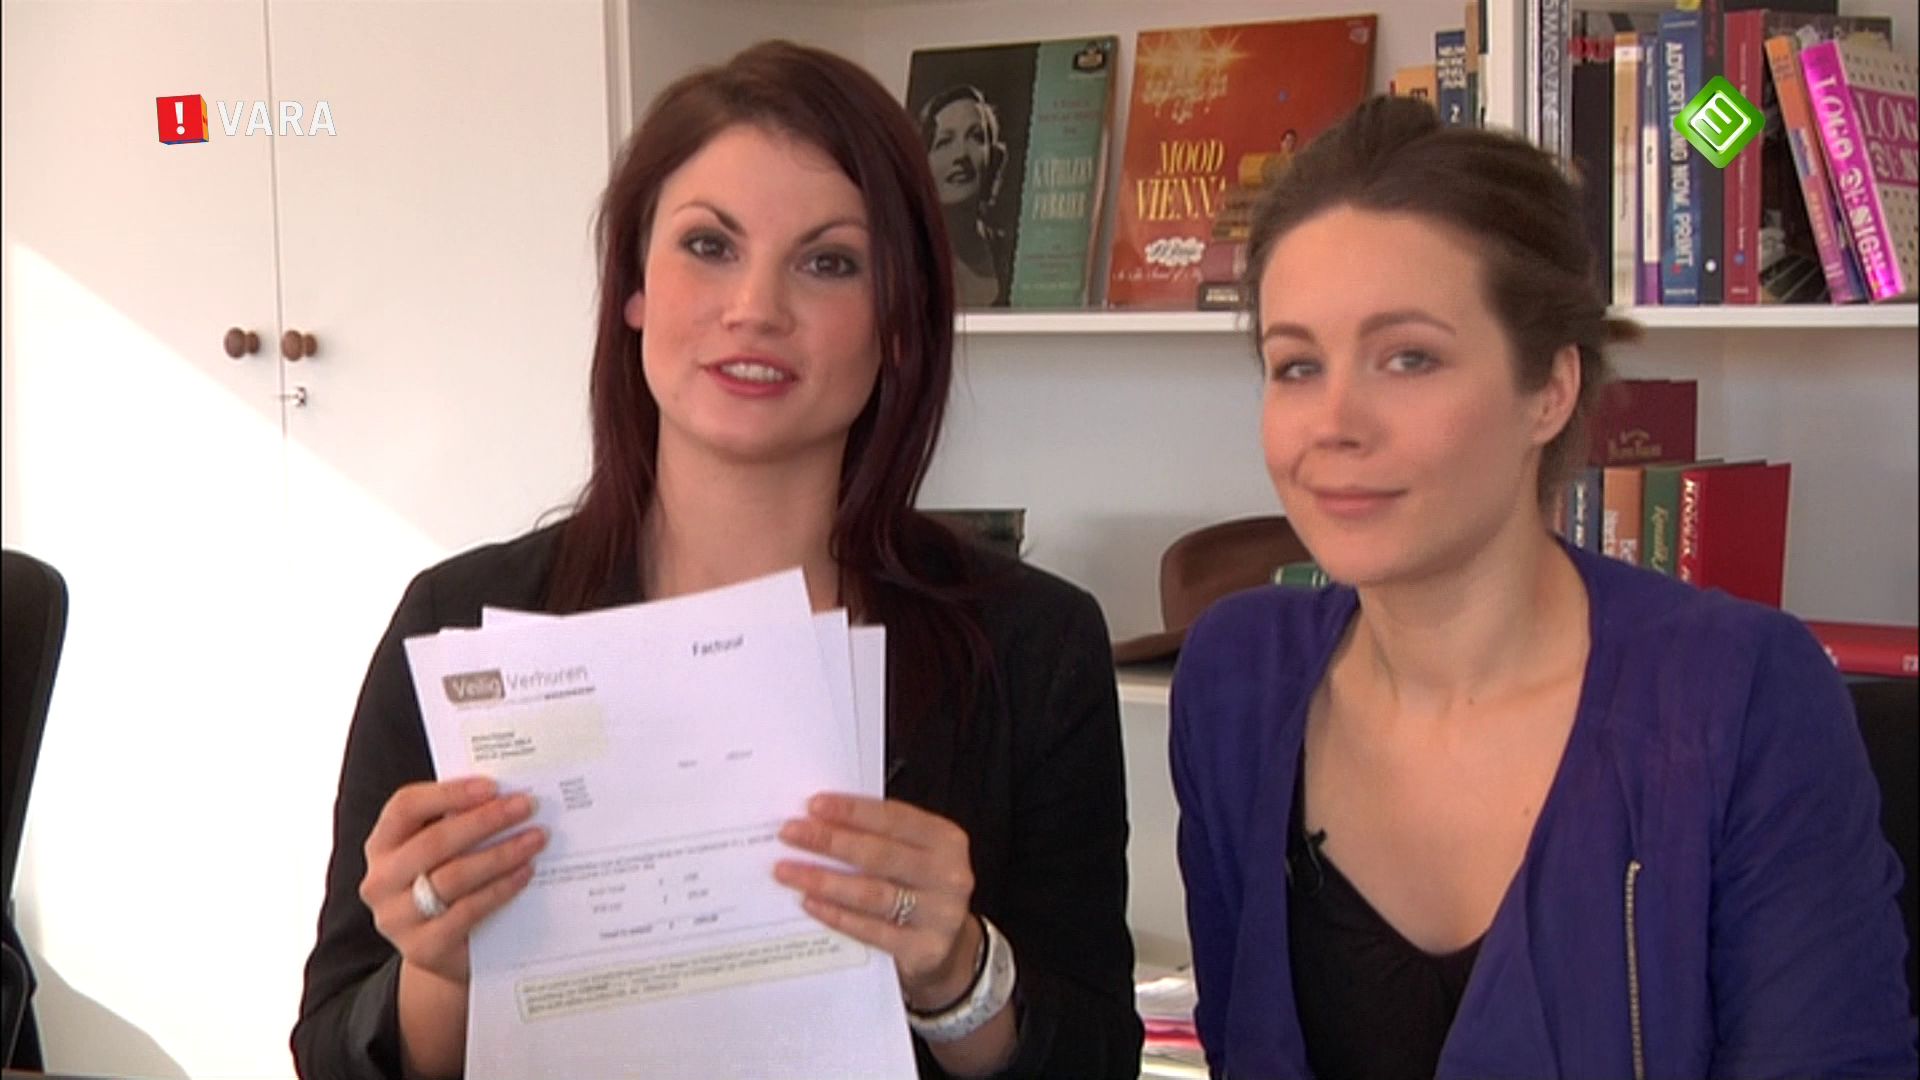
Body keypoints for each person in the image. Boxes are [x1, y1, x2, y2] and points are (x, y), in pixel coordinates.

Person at [291, 41, 1141, 1080]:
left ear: (900, 321)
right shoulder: (460, 620)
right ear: (634, 289)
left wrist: (955, 972)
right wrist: (447, 969)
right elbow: (331, 1053)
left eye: (829, 262)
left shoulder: (1033, 644)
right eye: (708, 246)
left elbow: (1096, 1059)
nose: (755, 309)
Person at [1170, 95, 1916, 1080]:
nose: (1335, 422)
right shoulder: (1236, 681)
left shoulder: (1738, 693)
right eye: (1296, 365)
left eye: (1409, 358)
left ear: (1550, 390)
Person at [918, 85, 1010, 307]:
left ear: (994, 158)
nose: (960, 154)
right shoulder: (902, 262)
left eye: (976, 137)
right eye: (944, 142)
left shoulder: (1010, 254)